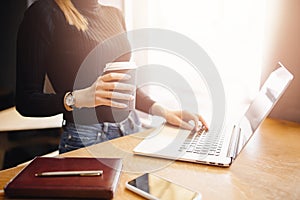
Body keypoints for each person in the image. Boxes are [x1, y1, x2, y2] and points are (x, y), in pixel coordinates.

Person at [16, 0, 208, 154]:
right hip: (86, 137)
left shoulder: (114, 14)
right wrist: (79, 98)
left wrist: (162, 111)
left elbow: (123, 84)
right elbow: (26, 100)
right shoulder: (43, 13)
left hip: (131, 128)